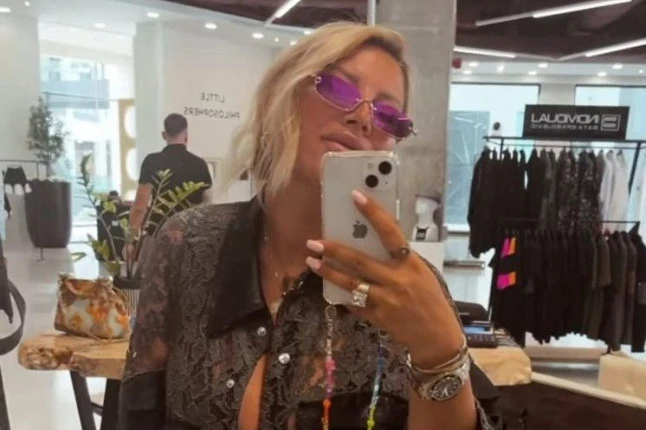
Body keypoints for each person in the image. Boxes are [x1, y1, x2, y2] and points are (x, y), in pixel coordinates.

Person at [119, 22, 501, 430]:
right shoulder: (188, 245)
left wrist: (441, 353)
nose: (363, 118)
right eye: (338, 88)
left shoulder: (408, 289)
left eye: (389, 115)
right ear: (280, 96)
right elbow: (139, 414)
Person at [128, 113, 212, 239]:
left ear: (163, 135)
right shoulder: (200, 164)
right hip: (190, 236)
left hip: (159, 233)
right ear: (187, 135)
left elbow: (140, 207)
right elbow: (208, 206)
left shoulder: (151, 161)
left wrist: (131, 240)